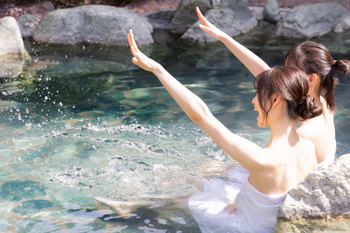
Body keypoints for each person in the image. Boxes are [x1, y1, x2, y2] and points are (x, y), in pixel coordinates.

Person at [96, 29, 320, 232]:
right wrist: (246, 201)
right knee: (210, 183)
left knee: (201, 195)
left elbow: (201, 115)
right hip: (264, 222)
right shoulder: (307, 147)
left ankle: (134, 208)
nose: (253, 101)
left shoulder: (263, 159)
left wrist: (158, 69)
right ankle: (134, 205)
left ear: (276, 98)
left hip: (242, 227)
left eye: (257, 94)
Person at [196, 7, 350, 170]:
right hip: (292, 168)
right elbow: (265, 73)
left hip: (288, 180)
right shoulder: (322, 103)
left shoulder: (305, 135)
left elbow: (275, 172)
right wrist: (224, 38)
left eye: (289, 71)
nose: (284, 77)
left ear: (311, 79)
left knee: (210, 170)